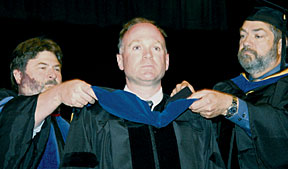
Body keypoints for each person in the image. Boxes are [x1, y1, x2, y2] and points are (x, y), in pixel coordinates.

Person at [60, 17, 225, 169]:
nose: (148, 55)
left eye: (156, 47)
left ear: (166, 61)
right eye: (137, 47)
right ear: (120, 61)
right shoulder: (93, 116)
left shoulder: (193, 117)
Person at [172, 6, 288, 169]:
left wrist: (231, 106)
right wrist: (188, 106)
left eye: (258, 35)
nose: (246, 42)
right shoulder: (226, 89)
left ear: (281, 44)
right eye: (242, 35)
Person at [0, 37, 97, 169]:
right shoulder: (5, 109)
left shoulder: (66, 127)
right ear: (18, 76)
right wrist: (59, 93)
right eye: (42, 67)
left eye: (57, 69)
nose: (53, 75)